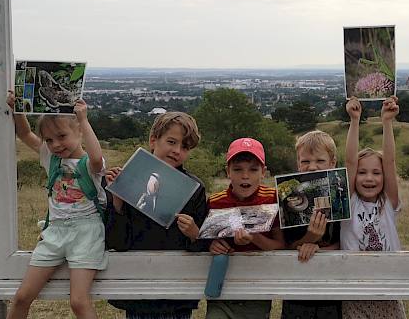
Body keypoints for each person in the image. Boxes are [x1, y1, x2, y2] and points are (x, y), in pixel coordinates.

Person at [5, 91, 107, 319]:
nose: (56, 144)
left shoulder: (89, 164)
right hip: (55, 233)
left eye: (62, 136)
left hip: (86, 233)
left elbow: (97, 158)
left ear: (79, 132)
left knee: (79, 302)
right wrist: (17, 109)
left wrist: (83, 119)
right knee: (22, 297)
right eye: (49, 140)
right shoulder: (50, 159)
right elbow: (24, 133)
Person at [105, 112, 209, 319]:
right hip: (137, 291)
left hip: (176, 294)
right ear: (153, 140)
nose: (177, 151)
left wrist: (194, 233)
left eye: (185, 147)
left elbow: (203, 246)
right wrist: (117, 200)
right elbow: (117, 242)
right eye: (171, 142)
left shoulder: (195, 189)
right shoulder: (126, 179)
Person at [339, 96, 405, 319]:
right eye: (362, 172)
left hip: (388, 285)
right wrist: (355, 121)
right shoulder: (348, 203)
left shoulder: (388, 202)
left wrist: (386, 122)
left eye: (376, 173)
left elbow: (390, 162)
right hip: (354, 288)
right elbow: (349, 162)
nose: (369, 178)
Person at [207, 137, 285, 319]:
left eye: (253, 169)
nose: (245, 176)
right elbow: (205, 239)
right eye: (237, 169)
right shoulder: (215, 202)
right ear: (228, 172)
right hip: (221, 288)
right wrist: (211, 245)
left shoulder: (273, 199)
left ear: (263, 172)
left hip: (257, 289)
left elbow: (280, 245)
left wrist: (254, 237)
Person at [281, 130, 342, 319]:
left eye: (320, 161)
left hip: (333, 290)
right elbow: (287, 246)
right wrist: (311, 238)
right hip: (298, 289)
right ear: (298, 164)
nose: (312, 167)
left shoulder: (341, 195)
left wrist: (320, 248)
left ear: (332, 163)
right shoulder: (288, 197)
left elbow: (348, 241)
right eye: (305, 161)